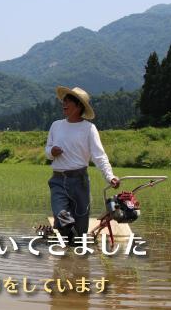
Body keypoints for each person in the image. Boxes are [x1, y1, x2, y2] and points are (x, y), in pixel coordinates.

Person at [45, 86, 120, 243]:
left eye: (67, 102)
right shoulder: (56, 125)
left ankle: (76, 259)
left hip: (79, 181)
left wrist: (110, 176)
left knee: (81, 224)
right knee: (61, 215)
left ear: (79, 105)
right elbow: (47, 150)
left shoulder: (89, 129)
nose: (63, 104)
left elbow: (99, 156)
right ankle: (69, 239)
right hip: (58, 180)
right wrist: (52, 151)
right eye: (63, 101)